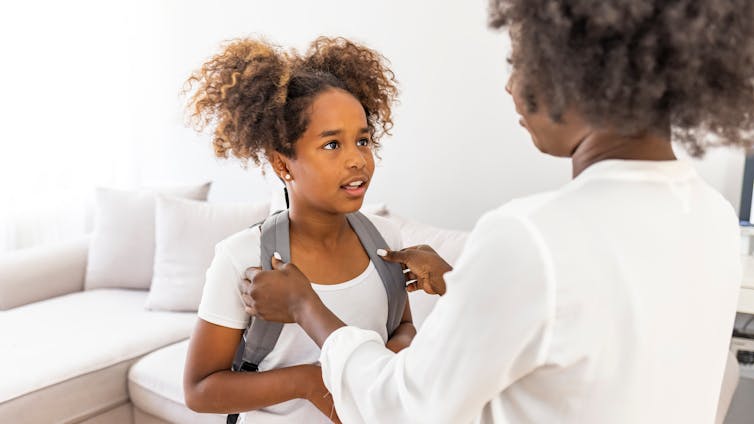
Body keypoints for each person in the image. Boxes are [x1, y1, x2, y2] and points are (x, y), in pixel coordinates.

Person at [240, 1, 754, 423]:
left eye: (518, 61)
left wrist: (307, 307)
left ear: (574, 68)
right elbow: (595, 335)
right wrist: (467, 284)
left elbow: (404, 407)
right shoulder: (712, 216)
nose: (510, 86)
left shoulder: (530, 237)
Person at [182, 36, 414, 424]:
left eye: (363, 140)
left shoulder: (385, 241)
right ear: (283, 165)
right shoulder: (242, 258)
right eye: (331, 145)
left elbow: (405, 328)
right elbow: (200, 389)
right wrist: (310, 381)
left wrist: (378, 372)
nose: (358, 160)